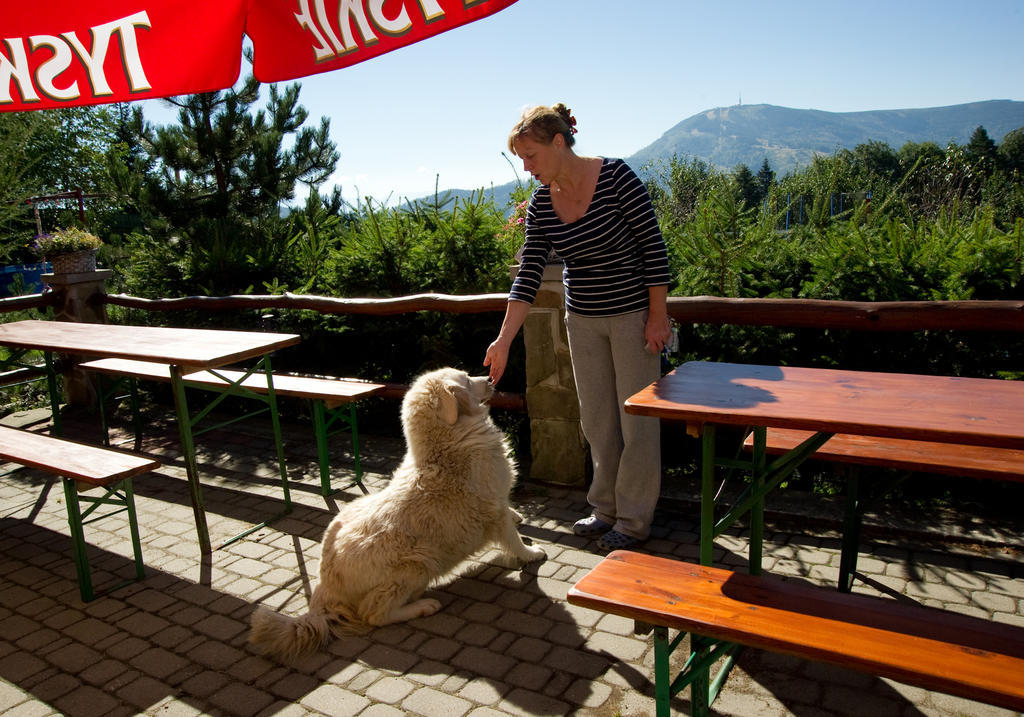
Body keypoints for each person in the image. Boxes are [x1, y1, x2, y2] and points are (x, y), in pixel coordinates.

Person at [484, 103, 672, 551]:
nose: (525, 168)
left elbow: (654, 248)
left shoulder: (615, 179)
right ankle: (604, 509)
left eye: (530, 156)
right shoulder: (542, 207)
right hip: (582, 320)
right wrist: (504, 340)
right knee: (597, 421)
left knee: (637, 423)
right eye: (521, 159)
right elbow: (529, 274)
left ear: (559, 142)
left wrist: (658, 316)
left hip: (632, 319)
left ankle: (632, 520)